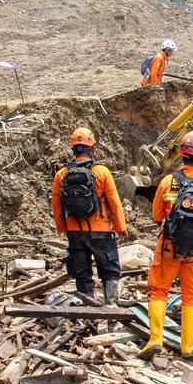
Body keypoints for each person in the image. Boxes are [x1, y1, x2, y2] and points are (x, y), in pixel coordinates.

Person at [140, 131, 193, 360]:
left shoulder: (168, 182)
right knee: (191, 297)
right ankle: (187, 347)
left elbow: (157, 215)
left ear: (182, 154)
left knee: (159, 291)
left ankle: (156, 339)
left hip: (168, 246)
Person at [50, 128, 127, 305]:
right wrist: (120, 227)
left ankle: (87, 310)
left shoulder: (61, 174)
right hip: (100, 231)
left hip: (74, 231)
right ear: (92, 148)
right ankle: (112, 307)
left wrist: (62, 227)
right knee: (109, 271)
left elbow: (57, 205)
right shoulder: (101, 172)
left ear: (73, 149)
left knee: (82, 273)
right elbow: (114, 202)